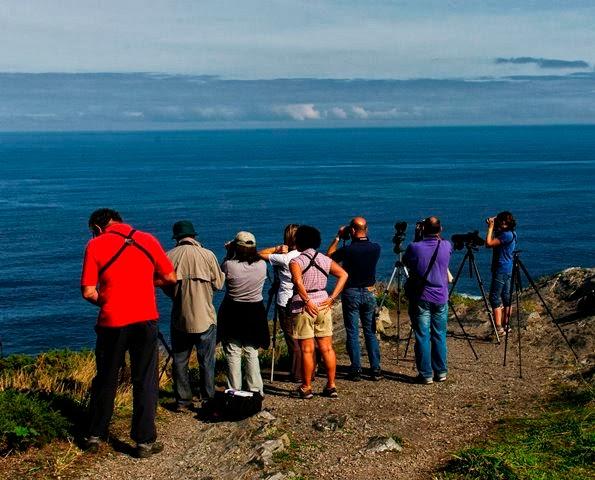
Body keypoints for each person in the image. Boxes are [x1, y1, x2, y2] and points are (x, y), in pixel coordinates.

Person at [80, 208, 176, 457]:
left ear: (98, 228)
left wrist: (109, 299)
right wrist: (144, 284)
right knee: (145, 379)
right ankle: (144, 441)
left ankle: (95, 435)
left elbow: (89, 291)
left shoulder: (96, 245)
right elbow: (170, 277)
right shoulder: (148, 239)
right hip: (145, 319)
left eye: (92, 232)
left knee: (106, 379)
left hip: (112, 321)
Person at [164, 220, 225, 412]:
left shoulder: (169, 256)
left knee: (180, 361)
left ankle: (183, 401)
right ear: (194, 236)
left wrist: (176, 294)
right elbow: (219, 284)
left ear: (177, 238)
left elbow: (162, 283)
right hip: (205, 316)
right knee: (206, 360)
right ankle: (208, 397)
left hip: (180, 317)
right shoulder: (207, 255)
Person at [289, 225, 348, 399]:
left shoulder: (296, 261)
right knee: (327, 348)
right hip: (323, 303)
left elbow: (298, 282)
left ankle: (306, 387)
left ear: (298, 241)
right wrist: (332, 297)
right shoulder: (324, 259)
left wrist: (306, 300)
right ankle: (331, 385)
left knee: (307, 349)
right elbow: (344, 275)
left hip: (303, 306)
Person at [327, 217, 382, 381]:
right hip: (370, 291)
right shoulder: (376, 248)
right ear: (366, 229)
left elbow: (328, 257)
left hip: (351, 292)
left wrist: (338, 237)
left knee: (352, 332)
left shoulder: (348, 251)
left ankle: (356, 369)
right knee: (370, 332)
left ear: (351, 231)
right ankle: (375, 369)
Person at [218, 231, 269, 394]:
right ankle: (255, 389)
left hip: (233, 310)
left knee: (233, 352)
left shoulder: (229, 264)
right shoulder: (262, 264)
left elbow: (220, 278)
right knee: (251, 352)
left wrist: (229, 252)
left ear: (236, 248)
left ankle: (234, 390)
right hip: (255, 311)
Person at [403, 216, 452, 384]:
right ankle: (441, 372)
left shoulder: (414, 247)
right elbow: (440, 242)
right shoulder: (446, 245)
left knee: (423, 336)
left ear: (423, 229)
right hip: (441, 296)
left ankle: (425, 374)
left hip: (421, 296)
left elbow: (407, 261)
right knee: (439, 335)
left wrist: (417, 236)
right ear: (440, 229)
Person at [258, 224, 302, 382]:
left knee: (291, 337)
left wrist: (277, 248)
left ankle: (297, 373)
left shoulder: (284, 258)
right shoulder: (306, 254)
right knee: (305, 336)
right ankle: (308, 368)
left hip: (286, 300)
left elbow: (259, 254)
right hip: (304, 300)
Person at [485, 211, 517, 336]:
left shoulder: (506, 235)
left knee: (494, 297)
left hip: (501, 269)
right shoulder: (511, 233)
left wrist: (491, 227)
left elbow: (488, 243)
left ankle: (498, 328)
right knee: (506, 297)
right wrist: (495, 225)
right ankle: (506, 325)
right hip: (508, 268)